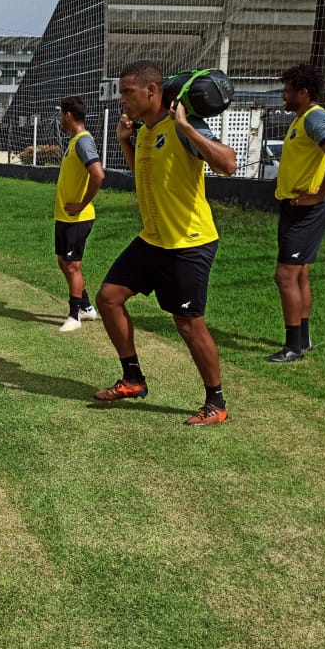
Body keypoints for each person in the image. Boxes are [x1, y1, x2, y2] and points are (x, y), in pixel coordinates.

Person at [94, 60, 238, 426]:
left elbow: (229, 164)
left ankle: (216, 402)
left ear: (152, 91)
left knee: (188, 323)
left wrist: (188, 128)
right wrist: (126, 141)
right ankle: (133, 379)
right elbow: (144, 173)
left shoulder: (181, 127)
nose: (122, 99)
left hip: (189, 242)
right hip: (154, 239)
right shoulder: (144, 131)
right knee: (108, 298)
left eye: (128, 92)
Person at [267, 63, 325, 363]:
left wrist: (318, 194)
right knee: (299, 276)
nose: (284, 96)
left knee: (285, 277)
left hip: (307, 211)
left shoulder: (314, 118)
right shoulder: (302, 119)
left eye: (288, 91)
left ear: (303, 92)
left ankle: (293, 348)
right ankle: (303, 340)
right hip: (295, 208)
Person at [53, 96, 105, 332]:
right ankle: (85, 306)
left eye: (60, 115)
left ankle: (74, 316)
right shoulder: (74, 142)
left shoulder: (83, 141)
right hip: (64, 217)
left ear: (69, 115)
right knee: (63, 262)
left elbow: (98, 175)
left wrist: (82, 204)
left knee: (73, 265)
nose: (59, 120)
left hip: (78, 218)